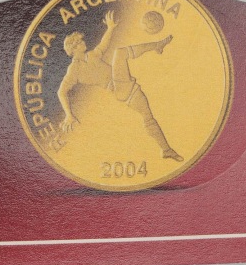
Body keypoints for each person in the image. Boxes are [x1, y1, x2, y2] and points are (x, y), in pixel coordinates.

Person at [58, 11, 183, 162]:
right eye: (79, 42)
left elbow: (103, 45)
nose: (83, 42)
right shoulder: (74, 70)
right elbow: (61, 92)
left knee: (148, 118)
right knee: (120, 53)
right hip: (118, 88)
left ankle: (166, 149)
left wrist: (110, 28)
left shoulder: (90, 56)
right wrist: (69, 115)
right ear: (74, 48)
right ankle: (157, 45)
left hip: (129, 89)